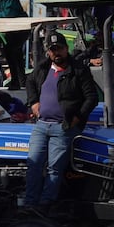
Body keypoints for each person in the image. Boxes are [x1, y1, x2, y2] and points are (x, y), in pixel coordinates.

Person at [25, 31, 98, 210]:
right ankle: (29, 205)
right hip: (42, 125)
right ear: (48, 52)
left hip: (63, 127)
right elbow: (30, 82)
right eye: (52, 50)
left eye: (59, 49)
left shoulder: (79, 70)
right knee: (33, 164)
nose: (56, 53)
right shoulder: (42, 68)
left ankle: (45, 205)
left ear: (66, 49)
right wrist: (33, 102)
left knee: (54, 169)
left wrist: (77, 118)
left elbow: (92, 97)